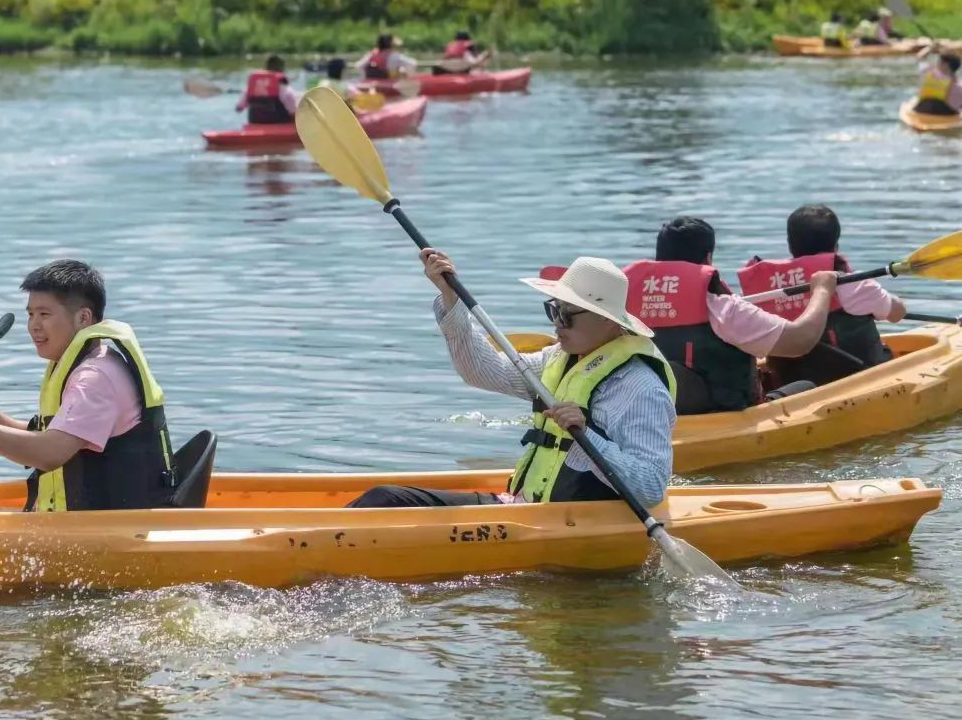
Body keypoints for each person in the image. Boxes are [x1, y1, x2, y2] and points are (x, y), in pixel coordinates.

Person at [348, 251, 676, 509]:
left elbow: (650, 487)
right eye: (553, 311)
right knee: (386, 498)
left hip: (573, 521)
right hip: (525, 507)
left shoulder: (640, 388)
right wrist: (451, 297)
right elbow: (481, 370)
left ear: (608, 321)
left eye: (566, 315)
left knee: (384, 500)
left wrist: (585, 436)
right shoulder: (557, 360)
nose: (556, 324)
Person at [0, 259, 176, 512]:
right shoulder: (87, 362)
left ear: (83, 318)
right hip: (86, 524)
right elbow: (42, 437)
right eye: (31, 314)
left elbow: (48, 453)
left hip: (109, 532)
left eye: (44, 314)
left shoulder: (95, 378)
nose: (34, 325)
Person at [623, 217, 839, 414]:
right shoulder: (722, 307)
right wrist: (822, 290)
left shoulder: (622, 301)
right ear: (708, 258)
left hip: (652, 407)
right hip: (718, 413)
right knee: (808, 386)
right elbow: (799, 342)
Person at [737, 204, 904, 385]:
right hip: (856, 379)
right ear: (836, 246)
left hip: (790, 384)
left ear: (790, 244)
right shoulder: (853, 284)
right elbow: (897, 313)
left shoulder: (765, 293)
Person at [235, 55, 300, 124]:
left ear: (266, 68)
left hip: (255, 124)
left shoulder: (251, 86)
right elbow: (293, 112)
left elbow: (239, 108)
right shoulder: (283, 88)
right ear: (282, 69)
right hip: (280, 126)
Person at [913, 51, 962, 117]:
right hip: (946, 115)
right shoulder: (959, 86)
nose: (937, 63)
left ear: (945, 64)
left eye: (939, 61)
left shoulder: (928, 71)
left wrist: (930, 48)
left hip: (921, 110)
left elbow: (919, 57)